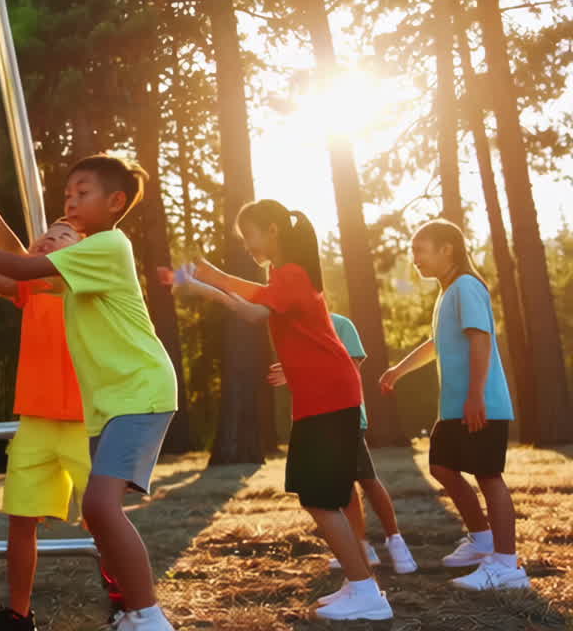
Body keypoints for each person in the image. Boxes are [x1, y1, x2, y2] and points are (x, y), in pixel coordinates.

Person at [0, 154, 178, 631]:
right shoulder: (63, 275)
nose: (70, 204)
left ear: (115, 202)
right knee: (92, 512)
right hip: (111, 402)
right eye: (67, 196)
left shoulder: (106, 247)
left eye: (82, 195)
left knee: (99, 509)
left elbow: (18, 264)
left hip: (136, 392)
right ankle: (131, 613)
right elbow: (11, 271)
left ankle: (145, 613)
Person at [161, 199, 393, 622]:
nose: (246, 243)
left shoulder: (291, 274)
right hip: (319, 395)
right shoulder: (281, 277)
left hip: (329, 395)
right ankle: (359, 584)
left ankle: (367, 593)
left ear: (271, 230)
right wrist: (204, 286)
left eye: (247, 234)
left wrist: (213, 277)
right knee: (323, 496)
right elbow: (253, 307)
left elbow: (254, 305)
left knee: (319, 497)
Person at [0, 174, 90, 631]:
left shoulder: (79, 279)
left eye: (63, 233)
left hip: (85, 422)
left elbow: (11, 259)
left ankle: (130, 601)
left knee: (104, 521)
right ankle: (19, 614)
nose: (51, 236)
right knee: (20, 521)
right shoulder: (30, 287)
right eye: (45, 234)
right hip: (36, 421)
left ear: (82, 248)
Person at [379, 219, 530, 591]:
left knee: (488, 476)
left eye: (420, 249)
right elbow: (436, 343)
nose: (414, 258)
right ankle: (482, 541)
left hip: (481, 404)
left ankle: (507, 566)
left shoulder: (466, 287)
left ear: (447, 249)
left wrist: (476, 395)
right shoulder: (448, 292)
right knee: (442, 467)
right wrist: (399, 370)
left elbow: (480, 341)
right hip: (454, 408)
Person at [268, 313, 418, 576]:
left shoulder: (340, 324)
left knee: (367, 480)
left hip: (345, 416)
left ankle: (396, 541)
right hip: (316, 421)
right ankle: (361, 548)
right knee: (345, 485)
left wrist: (298, 368)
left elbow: (350, 370)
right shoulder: (294, 329)